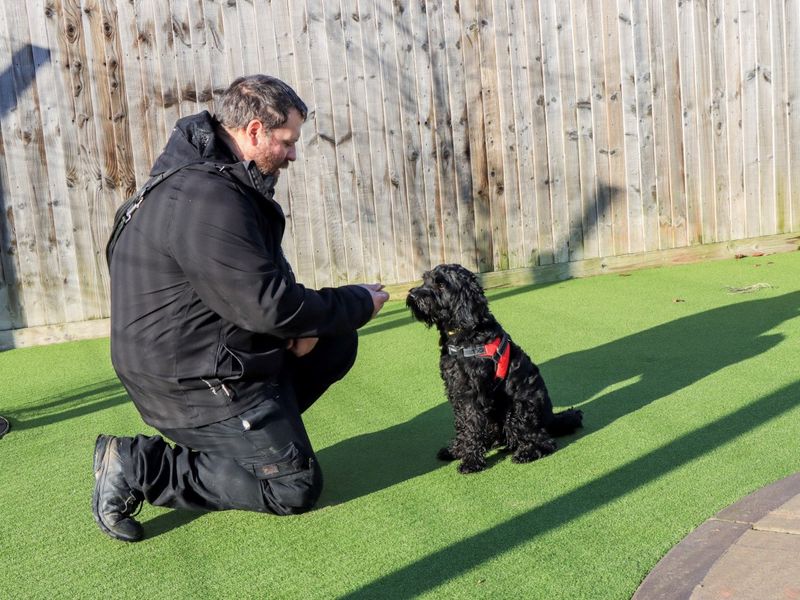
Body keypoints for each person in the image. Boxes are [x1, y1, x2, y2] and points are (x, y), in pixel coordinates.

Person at [93, 75, 390, 542]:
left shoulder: (212, 182)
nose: (293, 155)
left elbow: (255, 285)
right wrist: (356, 301)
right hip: (190, 382)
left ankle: (257, 440)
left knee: (333, 340)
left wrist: (301, 326)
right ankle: (141, 466)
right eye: (287, 142)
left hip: (205, 356)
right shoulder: (207, 198)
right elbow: (266, 306)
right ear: (254, 131)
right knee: (294, 486)